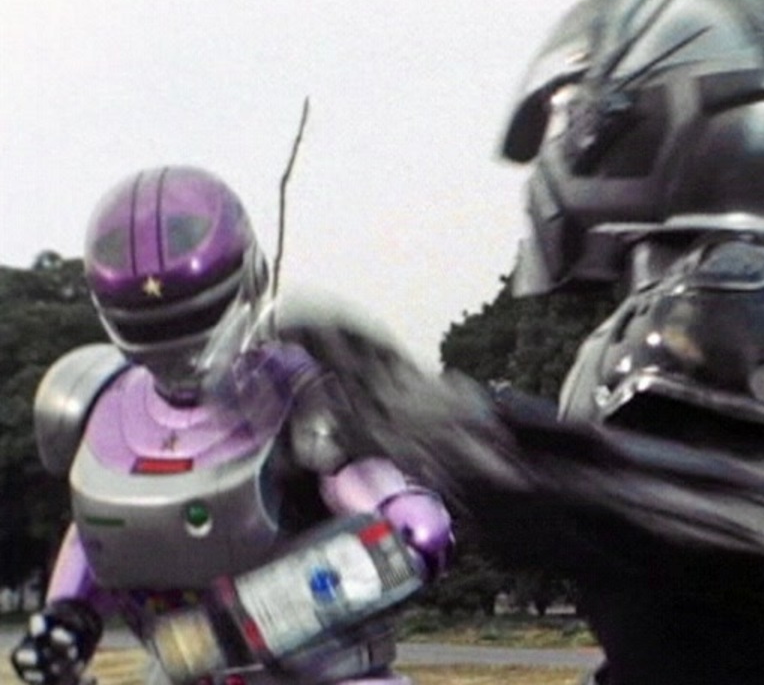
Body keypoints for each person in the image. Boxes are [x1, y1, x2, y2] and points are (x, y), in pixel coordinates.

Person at [310, 0, 764, 685]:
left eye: (578, 116)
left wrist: (452, 429)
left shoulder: (743, 294)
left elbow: (743, 527)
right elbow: (697, 589)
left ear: (647, 120)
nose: (563, 147)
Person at [10, 166, 453, 685]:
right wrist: (66, 622)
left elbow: (413, 531)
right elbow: (96, 527)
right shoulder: (96, 398)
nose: (182, 355)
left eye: (190, 322)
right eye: (157, 329)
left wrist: (401, 515)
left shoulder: (302, 394)